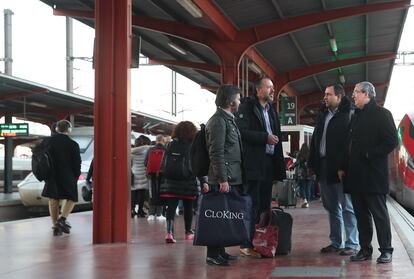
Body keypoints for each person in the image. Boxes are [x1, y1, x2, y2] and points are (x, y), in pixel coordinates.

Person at [338, 81, 398, 264]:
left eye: (356, 92)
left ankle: (386, 250)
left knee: (379, 214)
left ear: (367, 94)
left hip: (373, 175)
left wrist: (369, 154)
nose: (353, 95)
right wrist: (343, 166)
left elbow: (391, 141)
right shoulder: (355, 116)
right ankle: (365, 249)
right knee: (361, 215)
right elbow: (348, 144)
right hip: (355, 175)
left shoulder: (382, 114)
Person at [235, 76, 286, 258]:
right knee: (251, 204)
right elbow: (241, 132)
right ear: (258, 90)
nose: (273, 90)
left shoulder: (271, 109)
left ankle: (259, 240)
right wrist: (264, 137)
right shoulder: (247, 107)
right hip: (253, 164)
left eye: (273, 87)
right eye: (269, 87)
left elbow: (277, 134)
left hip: (269, 163)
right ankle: (245, 243)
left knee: (265, 205)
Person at [308, 84, 359, 256]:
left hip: (341, 169)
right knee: (331, 207)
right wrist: (312, 164)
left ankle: (352, 243)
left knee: (347, 206)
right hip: (323, 167)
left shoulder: (348, 115)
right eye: (325, 94)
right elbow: (315, 141)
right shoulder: (323, 115)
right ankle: (336, 242)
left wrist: (345, 166)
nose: (325, 97)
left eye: (328, 94)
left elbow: (350, 145)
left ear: (339, 97)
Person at [204, 84, 243, 266]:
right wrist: (222, 179)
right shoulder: (218, 121)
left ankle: (220, 251)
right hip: (222, 178)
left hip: (231, 176)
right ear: (230, 102)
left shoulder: (228, 119)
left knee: (223, 216)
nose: (240, 101)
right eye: (238, 98)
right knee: (217, 217)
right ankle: (212, 254)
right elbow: (216, 152)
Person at [159, 121, 201, 243]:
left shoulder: (170, 145)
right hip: (188, 180)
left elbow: (163, 163)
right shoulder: (192, 145)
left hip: (170, 181)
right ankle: (188, 232)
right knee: (188, 208)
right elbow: (196, 164)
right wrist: (202, 181)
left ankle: (169, 233)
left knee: (171, 207)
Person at [41, 120, 81, 236]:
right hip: (67, 175)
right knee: (71, 197)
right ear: (69, 130)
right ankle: (62, 219)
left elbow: (40, 158)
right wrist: (76, 176)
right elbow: (77, 163)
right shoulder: (73, 144)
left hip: (51, 175)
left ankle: (55, 226)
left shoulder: (47, 142)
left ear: (57, 129)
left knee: (53, 199)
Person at [145, 134, 166, 221]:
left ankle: (151, 214)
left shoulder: (150, 149)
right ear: (163, 141)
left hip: (151, 174)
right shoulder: (165, 149)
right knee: (161, 192)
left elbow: (145, 162)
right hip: (162, 174)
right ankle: (159, 214)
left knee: (152, 192)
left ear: (156, 140)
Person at [131, 135, 151, 218]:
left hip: (134, 174)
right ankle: (140, 211)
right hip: (143, 174)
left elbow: (130, 164)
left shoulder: (130, 152)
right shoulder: (146, 151)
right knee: (141, 194)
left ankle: (132, 210)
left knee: (133, 194)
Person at [290, 143, 311, 208]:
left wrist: (292, 166)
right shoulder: (310, 154)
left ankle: (304, 200)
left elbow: (297, 162)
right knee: (308, 188)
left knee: (302, 187)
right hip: (309, 174)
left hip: (301, 174)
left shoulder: (300, 154)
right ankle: (307, 202)